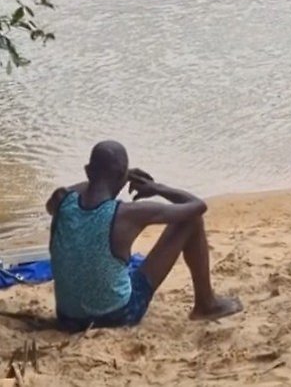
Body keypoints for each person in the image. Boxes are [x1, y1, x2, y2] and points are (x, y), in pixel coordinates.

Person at [47, 140, 242, 330]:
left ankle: (207, 304)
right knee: (191, 220)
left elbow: (59, 199)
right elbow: (198, 206)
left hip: (68, 319)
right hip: (118, 315)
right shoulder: (126, 214)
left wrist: (106, 177)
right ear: (121, 176)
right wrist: (157, 188)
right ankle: (206, 304)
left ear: (88, 171)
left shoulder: (62, 201)